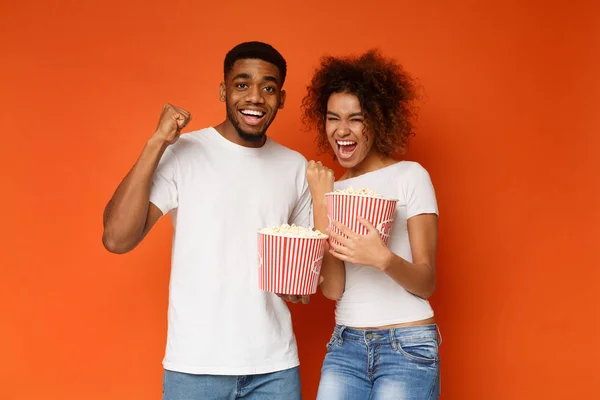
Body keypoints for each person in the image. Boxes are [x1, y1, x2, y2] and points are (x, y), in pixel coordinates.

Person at [102, 41, 311, 400]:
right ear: (223, 90)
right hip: (195, 367)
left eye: (268, 87)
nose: (255, 98)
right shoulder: (185, 152)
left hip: (274, 368)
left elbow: (298, 282)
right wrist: (157, 143)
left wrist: (299, 285)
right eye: (242, 84)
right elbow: (117, 239)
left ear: (282, 98)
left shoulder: (295, 167)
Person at [302, 50, 441, 399]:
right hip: (345, 345)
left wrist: (384, 259)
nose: (342, 130)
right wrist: (323, 198)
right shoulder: (330, 187)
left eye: (356, 119)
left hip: (406, 345)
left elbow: (426, 282)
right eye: (333, 118)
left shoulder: (410, 176)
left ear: (378, 120)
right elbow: (333, 289)